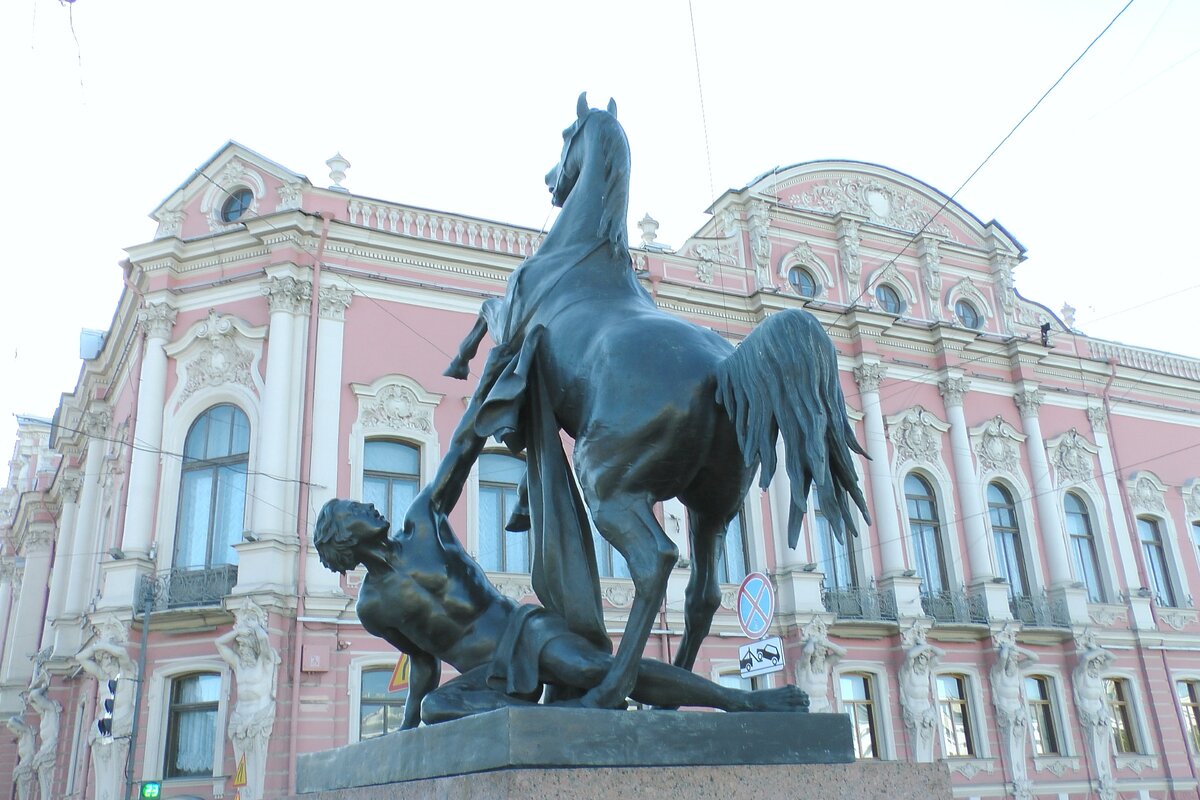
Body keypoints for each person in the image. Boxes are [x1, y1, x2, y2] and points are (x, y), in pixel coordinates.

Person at [314, 492, 808, 727]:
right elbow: (423, 662)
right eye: (355, 510)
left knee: (596, 669)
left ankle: (743, 701)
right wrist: (406, 730)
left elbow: (463, 447)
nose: (370, 507)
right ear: (342, 537)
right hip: (485, 676)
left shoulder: (422, 524)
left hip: (520, 630)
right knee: (436, 708)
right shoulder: (371, 608)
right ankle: (573, 715)